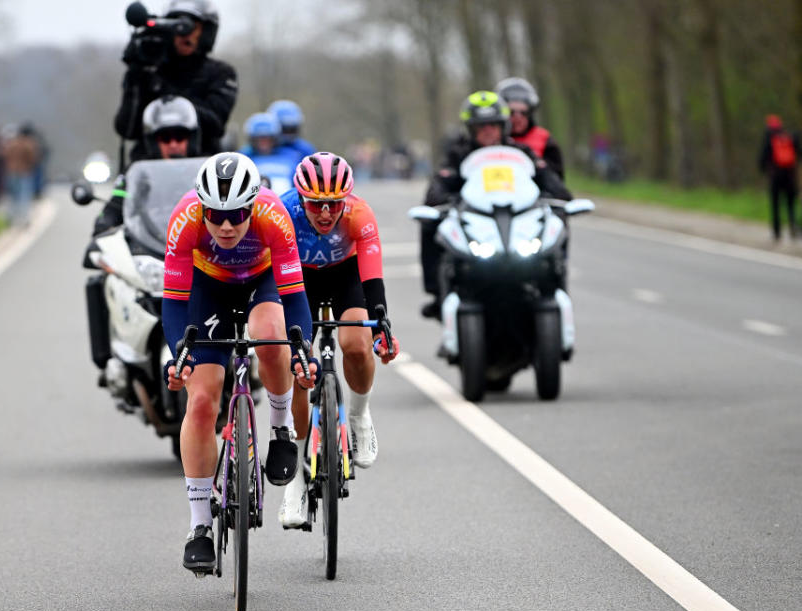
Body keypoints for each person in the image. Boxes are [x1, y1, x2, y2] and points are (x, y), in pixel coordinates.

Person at [160, 152, 316, 572]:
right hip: (207, 287)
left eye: (237, 215)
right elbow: (173, 305)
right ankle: (199, 527)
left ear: (253, 205)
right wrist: (180, 357)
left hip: (260, 279)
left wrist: (303, 348)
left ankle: (281, 428)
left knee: (270, 333)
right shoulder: (183, 220)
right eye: (215, 215)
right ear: (201, 207)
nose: (226, 226)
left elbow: (295, 295)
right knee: (202, 401)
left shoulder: (274, 215)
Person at [276, 152, 400, 528]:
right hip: (300, 279)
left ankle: (360, 416)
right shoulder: (283, 213)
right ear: (301, 198)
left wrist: (381, 327)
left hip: (346, 275)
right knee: (297, 366)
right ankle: (295, 479)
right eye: (316, 204)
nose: (326, 213)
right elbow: (272, 274)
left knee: (356, 344)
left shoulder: (359, 215)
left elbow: (372, 276)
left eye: (333, 204)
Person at [419, 91, 571, 319]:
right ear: (471, 129)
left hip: (520, 222)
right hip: (476, 224)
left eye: (493, 125)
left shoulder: (522, 153)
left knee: (557, 222)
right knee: (429, 223)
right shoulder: (458, 155)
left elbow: (553, 183)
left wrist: (557, 196)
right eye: (481, 126)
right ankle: (437, 294)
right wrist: (442, 199)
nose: (488, 130)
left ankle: (555, 288)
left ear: (504, 126)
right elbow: (436, 190)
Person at [114, 0, 237, 163]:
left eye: (191, 26)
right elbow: (127, 129)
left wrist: (167, 98)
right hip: (149, 171)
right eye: (176, 26)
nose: (184, 34)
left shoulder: (221, 73)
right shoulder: (150, 71)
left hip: (202, 167)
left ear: (206, 31)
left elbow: (214, 124)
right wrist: (137, 73)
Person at [91, 95, 202, 237]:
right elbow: (115, 206)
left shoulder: (207, 174)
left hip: (199, 249)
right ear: (154, 142)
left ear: (191, 138)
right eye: (165, 138)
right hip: (148, 249)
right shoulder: (137, 174)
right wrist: (105, 223)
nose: (173, 144)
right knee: (94, 252)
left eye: (180, 137)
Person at [495, 77, 565, 179]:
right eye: (511, 112)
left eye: (523, 112)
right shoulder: (492, 138)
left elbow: (556, 179)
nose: (517, 117)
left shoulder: (544, 139)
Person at [758, 114, 800, 241]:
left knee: (775, 204)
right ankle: (793, 225)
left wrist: (764, 171)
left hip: (776, 176)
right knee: (790, 203)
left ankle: (777, 232)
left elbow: (762, 158)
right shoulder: (789, 137)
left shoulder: (768, 138)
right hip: (790, 175)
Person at [1, 125, 39, 227]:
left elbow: (5, 155)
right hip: (24, 173)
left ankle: (10, 217)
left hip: (11, 172)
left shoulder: (11, 143)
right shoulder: (28, 144)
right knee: (24, 196)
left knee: (12, 197)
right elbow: (33, 158)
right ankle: (24, 219)